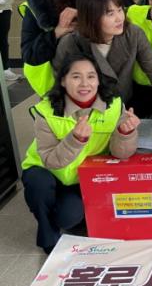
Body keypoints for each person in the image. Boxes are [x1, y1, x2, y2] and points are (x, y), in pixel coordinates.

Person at [21, 53, 139, 254]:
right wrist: (76, 140)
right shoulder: (46, 110)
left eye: (91, 76)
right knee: (38, 185)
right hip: (46, 170)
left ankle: (67, 212)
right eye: (76, 77)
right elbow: (50, 159)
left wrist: (125, 133)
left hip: (80, 178)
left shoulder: (113, 106)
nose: (85, 83)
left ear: (99, 80)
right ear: (63, 81)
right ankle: (47, 235)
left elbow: (121, 155)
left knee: (69, 217)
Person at [53, 0, 152, 115]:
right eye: (110, 14)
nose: (119, 18)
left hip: (123, 103)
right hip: (86, 110)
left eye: (120, 10)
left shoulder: (133, 34)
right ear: (91, 18)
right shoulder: (71, 43)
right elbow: (60, 85)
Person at [21, 0, 102, 96]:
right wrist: (56, 32)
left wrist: (84, 14)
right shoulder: (36, 10)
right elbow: (30, 56)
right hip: (56, 88)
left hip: (98, 83)